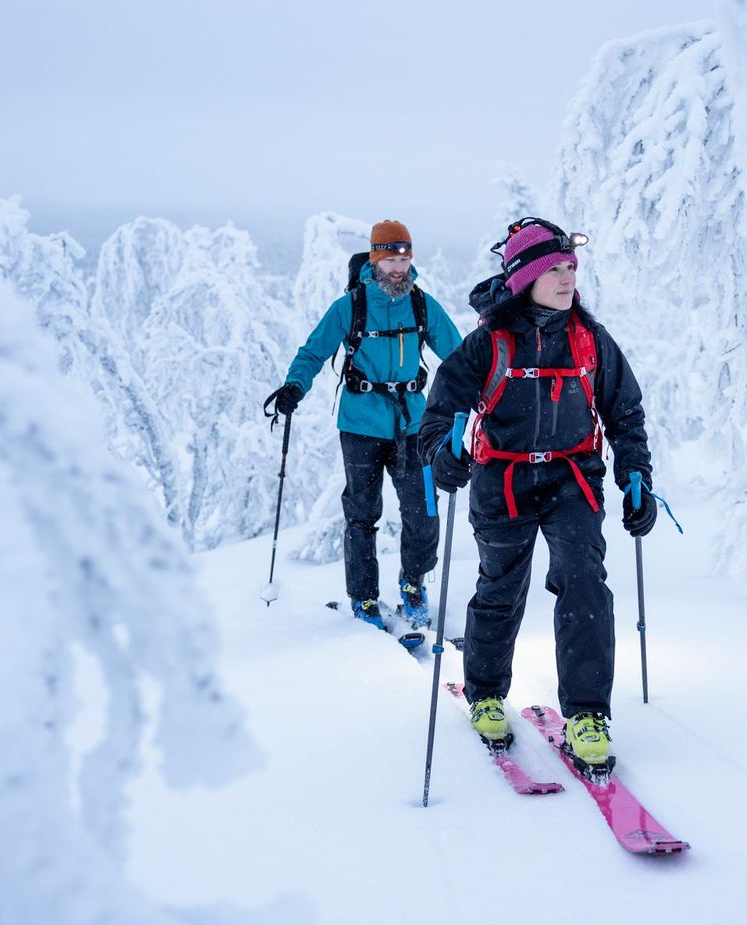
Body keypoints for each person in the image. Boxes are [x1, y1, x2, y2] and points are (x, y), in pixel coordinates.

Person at [418, 218, 656, 773]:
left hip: (573, 477)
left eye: (572, 267)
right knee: (501, 587)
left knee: (585, 582)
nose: (568, 277)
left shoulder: (590, 339)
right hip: (502, 480)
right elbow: (439, 417)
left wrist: (636, 478)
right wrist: (442, 455)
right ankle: (483, 693)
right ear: (526, 277)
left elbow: (625, 412)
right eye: (556, 268)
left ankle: (587, 715)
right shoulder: (489, 344)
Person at [265, 220, 463, 629]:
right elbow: (313, 351)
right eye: (390, 259)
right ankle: (364, 599)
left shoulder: (422, 304)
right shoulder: (350, 306)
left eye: (404, 260)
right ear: (375, 260)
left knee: (424, 509)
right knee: (361, 513)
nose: (398, 268)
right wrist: (293, 387)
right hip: (360, 424)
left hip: (413, 425)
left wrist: (486, 388)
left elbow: (460, 356)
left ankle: (413, 583)